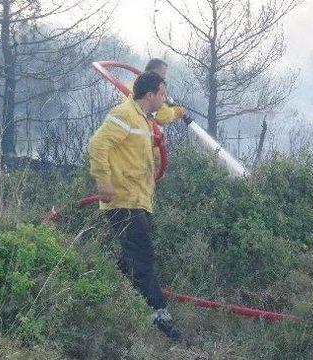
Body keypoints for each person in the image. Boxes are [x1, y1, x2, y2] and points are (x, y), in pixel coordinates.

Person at [88, 71, 181, 341]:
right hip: (123, 201)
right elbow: (97, 145)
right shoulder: (125, 114)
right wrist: (103, 182)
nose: (165, 99)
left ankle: (105, 299)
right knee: (143, 257)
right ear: (149, 95)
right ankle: (159, 317)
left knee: (129, 260)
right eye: (162, 94)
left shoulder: (143, 119)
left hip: (139, 201)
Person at [127, 58, 186, 125]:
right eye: (163, 73)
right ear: (153, 72)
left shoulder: (136, 83)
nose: (164, 78)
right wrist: (176, 112)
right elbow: (161, 117)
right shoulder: (149, 88)